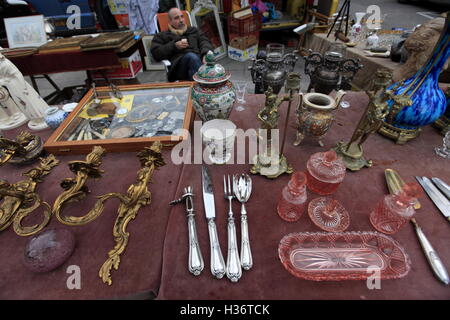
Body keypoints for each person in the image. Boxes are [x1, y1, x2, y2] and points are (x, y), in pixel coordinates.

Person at [150, 7, 213, 82]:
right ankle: (203, 86)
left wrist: (205, 53)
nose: (181, 20)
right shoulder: (162, 36)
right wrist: (174, 46)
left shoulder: (193, 30)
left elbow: (205, 41)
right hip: (178, 68)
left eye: (182, 17)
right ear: (170, 22)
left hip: (198, 63)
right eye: (176, 18)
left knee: (206, 60)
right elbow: (156, 53)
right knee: (191, 57)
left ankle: (201, 84)